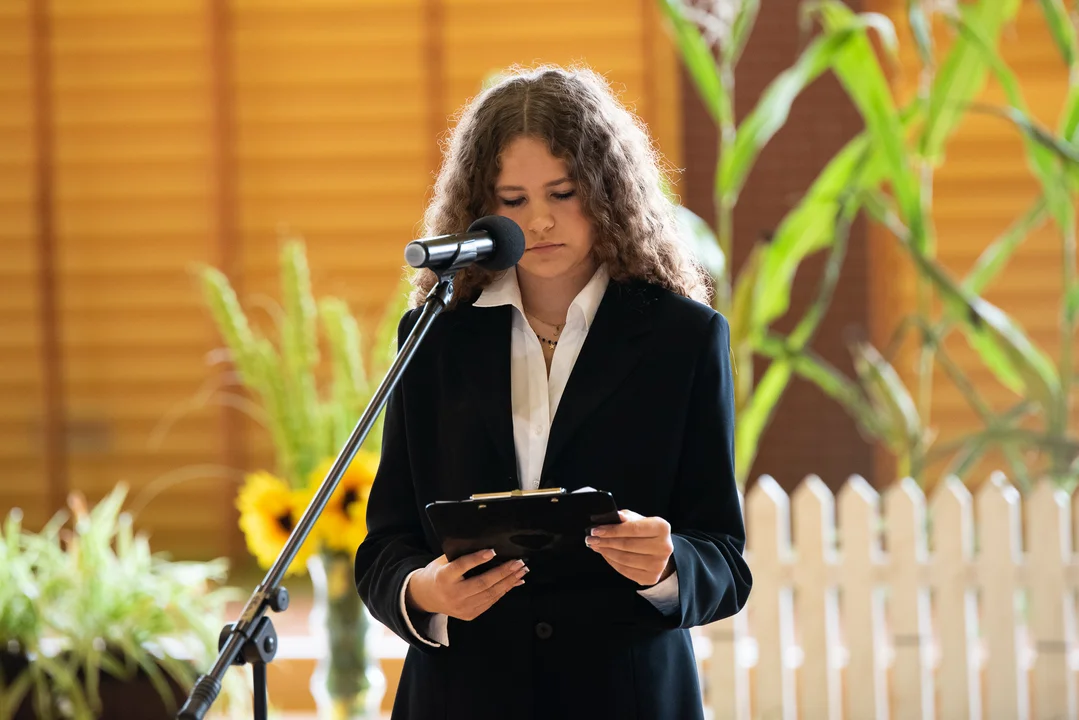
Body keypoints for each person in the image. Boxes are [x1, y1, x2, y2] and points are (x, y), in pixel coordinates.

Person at [354, 65, 751, 720]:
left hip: (624, 698)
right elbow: (385, 546)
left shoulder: (684, 339)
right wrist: (425, 591)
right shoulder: (434, 336)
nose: (538, 220)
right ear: (481, 206)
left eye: (562, 193)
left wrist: (667, 562)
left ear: (608, 192)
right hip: (461, 697)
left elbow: (724, 563)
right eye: (512, 200)